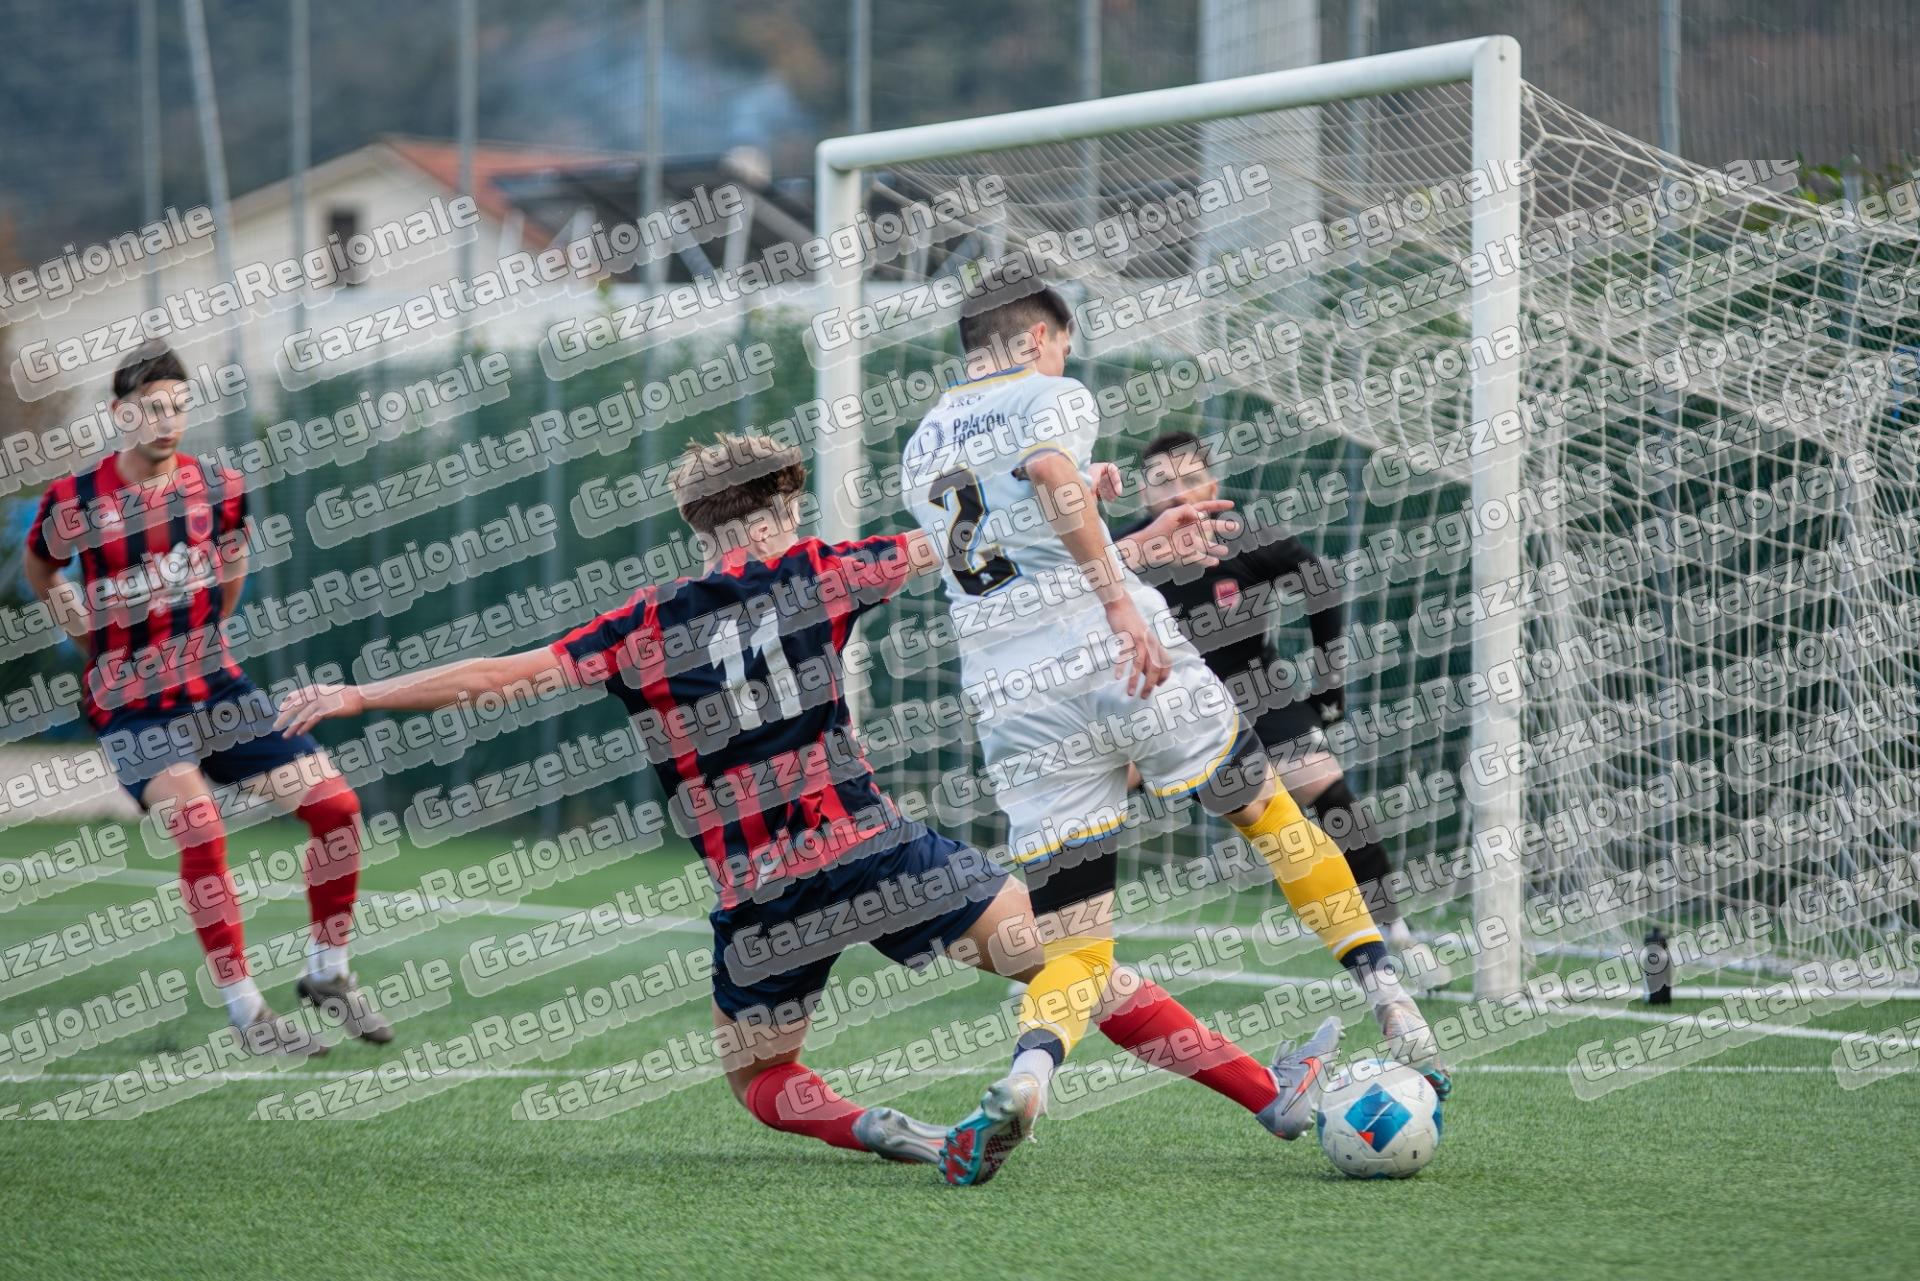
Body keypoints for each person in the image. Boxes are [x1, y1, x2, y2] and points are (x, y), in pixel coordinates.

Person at [276, 432, 1337, 1185]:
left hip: (760, 895)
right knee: (1078, 967)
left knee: (760, 1075)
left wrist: (361, 695)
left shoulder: (640, 627)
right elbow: (984, 554)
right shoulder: (823, 571)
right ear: (781, 511)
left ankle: (901, 1134)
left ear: (697, 524)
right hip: (874, 852)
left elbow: (500, 677)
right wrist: (1131, 540)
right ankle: (1270, 1095)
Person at [900, 280, 1452, 1171]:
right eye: (1064, 344)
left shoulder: (923, 440)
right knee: (1268, 811)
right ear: (1038, 337)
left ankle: (1029, 1076)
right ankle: (1388, 993)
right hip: (1119, 659)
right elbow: (1049, 478)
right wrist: (1122, 599)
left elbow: (1019, 552)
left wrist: (1132, 538)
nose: (1066, 358)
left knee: (1077, 943)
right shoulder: (1049, 392)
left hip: (1016, 702)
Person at [23, 344, 387, 1056]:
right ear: (120, 413)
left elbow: (232, 562)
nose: (167, 420)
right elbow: (43, 570)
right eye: (151, 407)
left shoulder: (218, 487)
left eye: (178, 406)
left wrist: (204, 634)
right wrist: (89, 638)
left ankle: (329, 972)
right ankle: (249, 1014)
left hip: (216, 688)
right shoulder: (75, 500)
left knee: (337, 809)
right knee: (200, 826)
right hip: (133, 704)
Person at [1122, 430, 1418, 958]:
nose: (1177, 493)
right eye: (1162, 482)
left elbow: (1321, 585)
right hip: (1162, 702)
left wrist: (1328, 685)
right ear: (1144, 494)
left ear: (1213, 486)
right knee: (1087, 803)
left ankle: (1393, 932)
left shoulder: (1245, 541)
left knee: (1329, 792)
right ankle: (1056, 947)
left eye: (1190, 479)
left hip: (1254, 692)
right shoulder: (1120, 555)